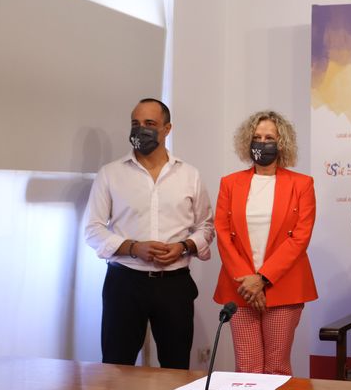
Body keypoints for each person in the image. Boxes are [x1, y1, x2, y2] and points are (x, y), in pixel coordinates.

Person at [85, 98, 214, 369]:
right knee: (116, 367)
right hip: (124, 283)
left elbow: (206, 226)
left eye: (149, 123)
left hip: (174, 285)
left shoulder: (189, 175)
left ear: (167, 129)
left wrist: (184, 246)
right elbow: (92, 230)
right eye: (135, 123)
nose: (140, 129)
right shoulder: (110, 174)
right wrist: (133, 247)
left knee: (176, 368)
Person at [213, 111, 318, 375]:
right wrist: (249, 282)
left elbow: (300, 238)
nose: (262, 143)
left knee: (276, 368)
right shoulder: (229, 183)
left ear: (282, 143)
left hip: (284, 287)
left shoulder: (302, 184)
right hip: (240, 287)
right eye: (257, 137)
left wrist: (262, 279)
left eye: (269, 138)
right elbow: (223, 234)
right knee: (246, 367)